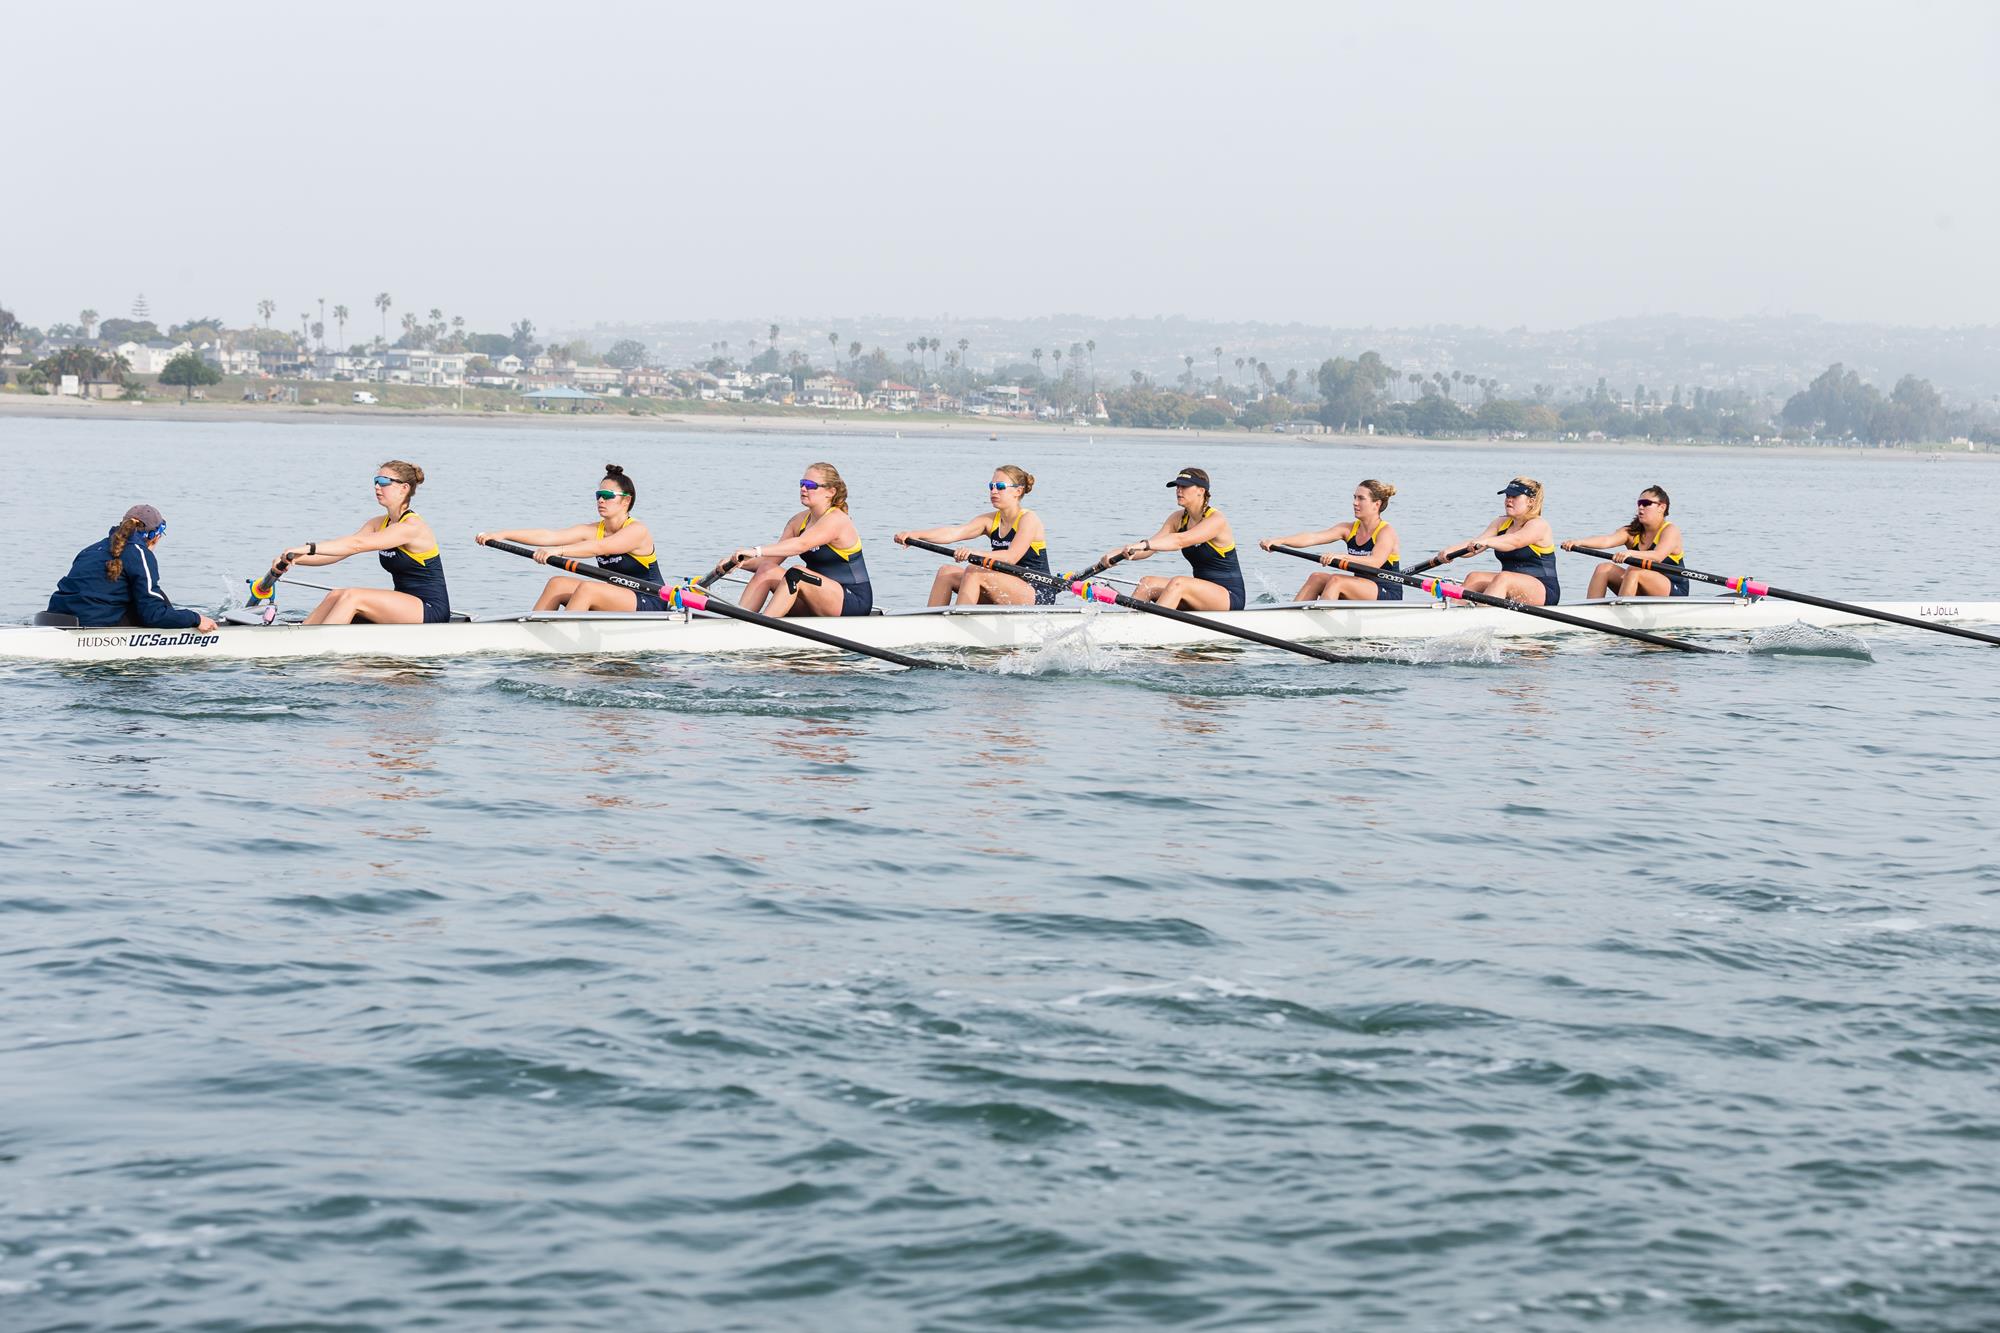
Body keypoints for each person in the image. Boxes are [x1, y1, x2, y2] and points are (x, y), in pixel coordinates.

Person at [274, 460, 451, 625]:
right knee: (336, 595)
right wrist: (294, 559)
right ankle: (301, 635)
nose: (377, 486)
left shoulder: (411, 527)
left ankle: (318, 642)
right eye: (376, 481)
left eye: (384, 482)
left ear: (404, 488)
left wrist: (309, 548)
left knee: (353, 597)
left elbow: (355, 544)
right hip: (403, 604)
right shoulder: (377, 523)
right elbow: (342, 551)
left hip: (429, 608)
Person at [476, 464, 663, 611]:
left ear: (626, 500)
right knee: (557, 584)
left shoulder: (637, 530)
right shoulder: (594, 529)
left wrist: (558, 551)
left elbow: (600, 547)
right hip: (617, 595)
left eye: (607, 495)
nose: (600, 500)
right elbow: (549, 536)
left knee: (588, 589)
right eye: (598, 495)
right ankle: (531, 634)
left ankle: (562, 642)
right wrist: (502, 534)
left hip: (649, 598)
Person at [724, 462, 873, 617]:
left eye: (810, 485)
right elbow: (768, 560)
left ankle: (762, 625)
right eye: (802, 483)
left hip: (852, 601)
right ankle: (738, 621)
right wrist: (735, 562)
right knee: (766, 569)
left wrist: (756, 551)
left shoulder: (837, 520)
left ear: (831, 492)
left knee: (797, 574)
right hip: (815, 598)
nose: (803, 489)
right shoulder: (798, 521)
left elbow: (801, 544)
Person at [893, 465, 1054, 605]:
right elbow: (952, 533)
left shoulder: (1028, 519)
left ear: (1018, 491)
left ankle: (959, 620)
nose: (993, 491)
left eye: (1000, 486)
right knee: (946, 572)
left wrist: (974, 553)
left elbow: (1011, 557)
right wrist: (915, 534)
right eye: (991, 486)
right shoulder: (989, 520)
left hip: (1037, 590)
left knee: (974, 571)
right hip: (1003, 586)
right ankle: (931, 623)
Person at [47, 504, 216, 631]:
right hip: (90, 627)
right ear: (156, 536)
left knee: (152, 595)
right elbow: (153, 615)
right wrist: (195, 619)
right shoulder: (139, 554)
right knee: (154, 602)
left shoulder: (90, 549)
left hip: (53, 619)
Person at [1102, 467, 1246, 611]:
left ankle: (1152, 622)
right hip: (1198, 592)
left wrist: (1143, 544)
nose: (1179, 491)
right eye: (1177, 486)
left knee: (1179, 583)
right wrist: (1115, 554)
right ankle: (1130, 621)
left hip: (1228, 596)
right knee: (1147, 583)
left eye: (1184, 487)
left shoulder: (1216, 520)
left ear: (1201, 491)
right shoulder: (1178, 518)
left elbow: (1180, 540)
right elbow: (1149, 549)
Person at [1260, 479, 1403, 602]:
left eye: (1361, 498)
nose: (1355, 503)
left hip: (1387, 592)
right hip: (1361, 586)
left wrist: (1341, 557)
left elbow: (1375, 562)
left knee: (1337, 580)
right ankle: (1292, 616)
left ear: (1376, 504)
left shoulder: (1386, 532)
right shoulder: (1348, 529)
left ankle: (1320, 620)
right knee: (1316, 577)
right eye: (1354, 497)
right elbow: (1312, 537)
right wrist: (1280, 540)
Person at [1433, 477, 1560, 606]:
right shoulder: (1501, 523)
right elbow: (1474, 546)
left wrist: (1488, 542)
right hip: (1510, 581)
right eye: (1507, 496)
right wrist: (1449, 551)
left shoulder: (1539, 525)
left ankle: (1480, 614)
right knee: (1474, 577)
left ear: (1531, 502)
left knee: (1504, 578)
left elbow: (1516, 541)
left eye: (1515, 496)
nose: (1509, 500)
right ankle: (1454, 610)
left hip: (1543, 589)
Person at [1562, 485, 1688, 597]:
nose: (1641, 507)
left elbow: (1658, 556)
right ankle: (1592, 611)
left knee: (1633, 570)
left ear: (1662, 507)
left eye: (1646, 503)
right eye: (1639, 503)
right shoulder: (1632, 532)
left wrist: (1630, 553)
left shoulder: (1670, 530)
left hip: (1673, 588)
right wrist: (1579, 542)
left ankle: (1622, 610)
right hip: (1639, 582)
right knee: (1603, 568)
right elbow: (1606, 540)